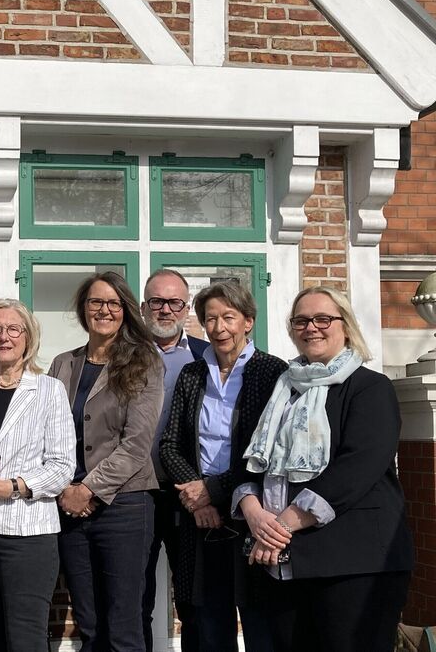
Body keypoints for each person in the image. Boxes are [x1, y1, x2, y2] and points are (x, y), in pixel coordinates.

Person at [234, 286, 413, 652]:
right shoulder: (281, 391)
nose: (311, 328)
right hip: (284, 563)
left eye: (322, 319)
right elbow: (250, 458)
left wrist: (282, 524)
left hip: (354, 564)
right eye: (301, 320)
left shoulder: (370, 388)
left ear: (344, 326)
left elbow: (359, 466)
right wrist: (252, 511)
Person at [157, 282, 284, 652]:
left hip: (255, 515)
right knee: (208, 621)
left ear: (248, 321)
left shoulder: (271, 372)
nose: (218, 327)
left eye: (228, 317)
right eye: (210, 318)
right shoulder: (192, 375)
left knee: (260, 620)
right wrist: (200, 499)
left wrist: (214, 490)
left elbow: (267, 450)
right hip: (202, 519)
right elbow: (170, 445)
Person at [48, 272, 164, 652]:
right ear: (84, 309)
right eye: (96, 302)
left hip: (125, 506)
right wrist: (66, 488)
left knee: (123, 625)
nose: (105, 310)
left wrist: (89, 489)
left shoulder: (144, 362)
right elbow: (48, 433)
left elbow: (136, 444)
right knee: (90, 623)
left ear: (126, 311)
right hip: (70, 508)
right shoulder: (63, 364)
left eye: (113, 303)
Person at [0, 299, 76, 651]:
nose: (3, 337)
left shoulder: (49, 391)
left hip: (29, 534)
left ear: (28, 338)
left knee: (26, 639)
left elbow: (61, 466)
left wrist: (9, 487)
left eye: (13, 329)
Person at [139, 269, 207, 651]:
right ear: (144, 305)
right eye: (157, 302)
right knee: (135, 597)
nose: (165, 310)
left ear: (186, 307)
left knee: (193, 599)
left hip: (189, 494)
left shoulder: (206, 355)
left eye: (174, 302)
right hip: (136, 493)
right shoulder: (123, 353)